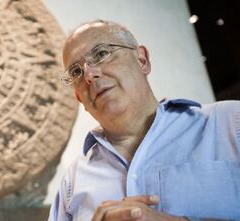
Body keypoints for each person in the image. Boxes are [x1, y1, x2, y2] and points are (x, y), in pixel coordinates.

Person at [48, 19, 240, 221]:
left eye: (101, 54)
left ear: (142, 60)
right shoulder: (73, 181)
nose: (89, 74)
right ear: (79, 98)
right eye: (76, 72)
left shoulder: (230, 122)